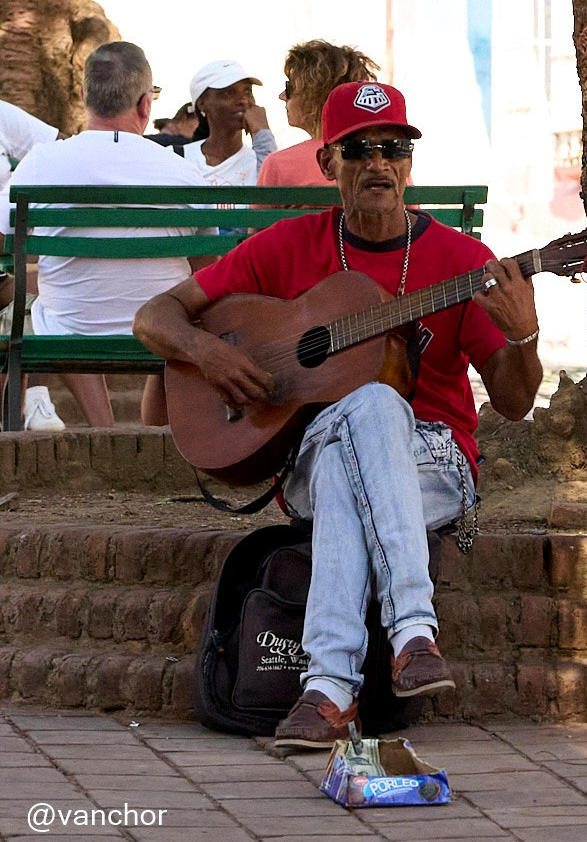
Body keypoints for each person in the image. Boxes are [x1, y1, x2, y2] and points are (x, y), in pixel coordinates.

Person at [133, 81, 544, 748]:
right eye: (359, 150)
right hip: (305, 450)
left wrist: (523, 338)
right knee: (371, 405)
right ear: (327, 164)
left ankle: (326, 691)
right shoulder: (286, 246)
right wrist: (208, 353)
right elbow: (154, 318)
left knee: (366, 420)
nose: (379, 164)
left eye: (394, 149)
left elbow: (516, 403)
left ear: (410, 163)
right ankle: (412, 632)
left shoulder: (463, 262)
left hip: (434, 459)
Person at [0, 43, 210, 427]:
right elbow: (207, 266)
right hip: (163, 328)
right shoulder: (182, 172)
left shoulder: (44, 161)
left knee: (50, 310)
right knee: (180, 308)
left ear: (84, 97)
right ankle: (154, 435)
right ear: (145, 105)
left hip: (68, 327)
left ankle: (100, 429)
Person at [0, 99, 65, 430]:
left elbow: (58, 152)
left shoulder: (2, 115)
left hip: (6, 254)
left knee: (35, 292)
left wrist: (6, 196)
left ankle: (35, 399)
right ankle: (35, 398)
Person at [257, 40, 379, 187]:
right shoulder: (389, 161)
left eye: (290, 87)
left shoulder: (279, 165)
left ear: (313, 95)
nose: (282, 96)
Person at [182, 60, 276, 185]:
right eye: (228, 93)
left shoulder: (260, 158)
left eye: (248, 91)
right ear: (202, 104)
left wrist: (262, 133)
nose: (243, 100)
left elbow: (270, 199)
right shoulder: (177, 158)